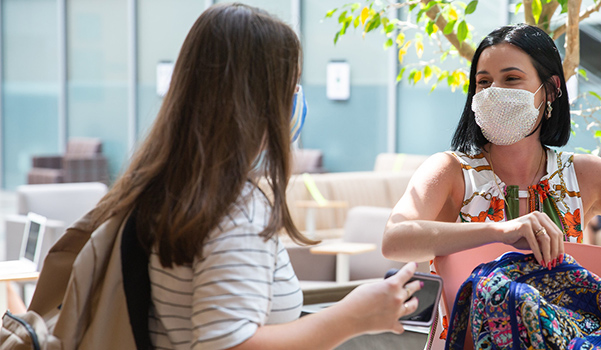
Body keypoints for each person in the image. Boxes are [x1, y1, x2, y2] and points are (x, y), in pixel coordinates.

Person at [85, 4, 421, 349]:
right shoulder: (234, 209)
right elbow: (227, 345)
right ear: (257, 100)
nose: (298, 99)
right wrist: (352, 317)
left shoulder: (166, 189)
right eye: (292, 85)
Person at [382, 24, 601, 346]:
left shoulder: (585, 174)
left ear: (549, 89)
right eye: (483, 82)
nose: (494, 91)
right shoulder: (450, 170)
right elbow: (394, 239)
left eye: (511, 78)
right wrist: (500, 232)